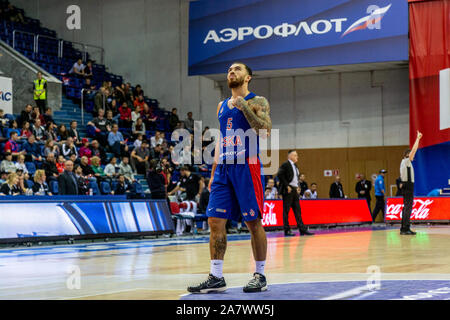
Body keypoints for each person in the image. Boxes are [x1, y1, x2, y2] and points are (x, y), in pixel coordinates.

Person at [187, 62, 271, 294]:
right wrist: (214, 172)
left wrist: (243, 105)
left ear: (248, 78)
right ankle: (216, 277)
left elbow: (265, 131)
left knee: (253, 222)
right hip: (224, 167)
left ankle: (260, 275)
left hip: (247, 166)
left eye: (237, 69)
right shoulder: (221, 105)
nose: (231, 72)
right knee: (215, 221)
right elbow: (224, 140)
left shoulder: (258, 101)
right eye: (229, 70)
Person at [277, 150, 313, 236]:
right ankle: (287, 230)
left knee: (298, 210)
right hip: (288, 190)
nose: (297, 157)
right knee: (286, 211)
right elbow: (279, 175)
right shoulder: (285, 164)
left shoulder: (295, 165)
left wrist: (299, 187)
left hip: (295, 190)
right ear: (290, 156)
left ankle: (302, 229)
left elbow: (296, 178)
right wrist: (287, 186)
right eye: (295, 155)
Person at [399, 131, 423, 235]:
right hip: (408, 185)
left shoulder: (403, 162)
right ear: (407, 155)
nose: (412, 156)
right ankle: (405, 228)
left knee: (406, 206)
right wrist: (418, 138)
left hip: (405, 185)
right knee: (408, 207)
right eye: (410, 154)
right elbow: (414, 150)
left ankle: (403, 228)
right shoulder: (406, 161)